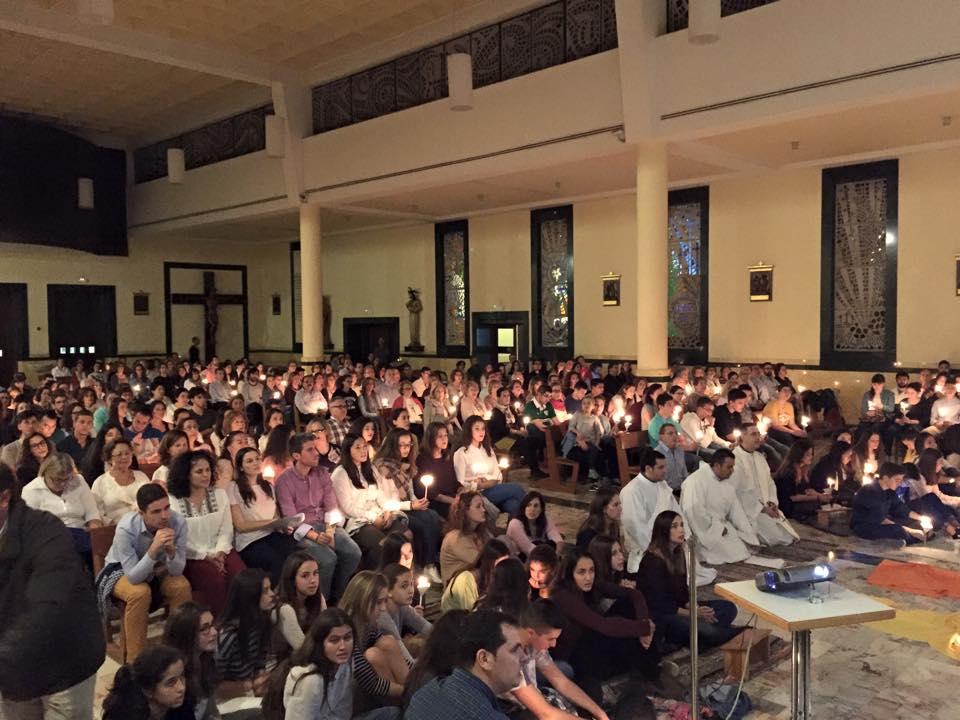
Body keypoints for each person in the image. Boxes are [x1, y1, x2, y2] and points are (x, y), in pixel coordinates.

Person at [0, 462, 105, 720]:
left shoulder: (46, 530)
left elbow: (47, 605)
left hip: (64, 659)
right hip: (14, 670)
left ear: (4, 497)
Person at [550, 547, 665, 704]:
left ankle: (650, 668)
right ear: (570, 574)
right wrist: (644, 628)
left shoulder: (591, 584)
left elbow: (634, 594)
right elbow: (602, 625)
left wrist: (644, 625)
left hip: (592, 643)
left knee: (626, 606)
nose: (588, 577)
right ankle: (651, 671)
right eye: (581, 572)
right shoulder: (562, 595)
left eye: (591, 571)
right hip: (574, 656)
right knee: (617, 625)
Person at [96, 483, 193, 662]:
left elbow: (177, 570)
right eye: (156, 511)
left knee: (181, 586)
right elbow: (133, 576)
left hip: (159, 568)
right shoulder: (126, 528)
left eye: (167, 508)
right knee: (139, 592)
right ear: (141, 513)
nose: (164, 516)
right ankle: (136, 662)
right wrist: (153, 549)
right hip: (121, 570)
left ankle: (180, 653)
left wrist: (171, 551)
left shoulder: (178, 522)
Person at [262, 608, 400, 720]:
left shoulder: (347, 664)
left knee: (394, 713)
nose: (343, 646)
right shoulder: (310, 680)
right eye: (334, 640)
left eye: (347, 638)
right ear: (320, 643)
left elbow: (343, 711)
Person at [275, 433, 362, 602]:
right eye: (310, 450)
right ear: (296, 456)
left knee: (353, 552)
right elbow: (291, 518)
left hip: (325, 524)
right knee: (328, 559)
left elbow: (331, 505)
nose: (316, 453)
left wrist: (329, 532)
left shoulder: (322, 473)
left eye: (315, 448)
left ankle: (340, 596)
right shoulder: (284, 481)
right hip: (301, 531)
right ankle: (321, 603)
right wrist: (315, 536)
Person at [637, 511, 740, 650]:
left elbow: (683, 592)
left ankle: (697, 635)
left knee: (728, 608)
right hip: (663, 615)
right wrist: (694, 614)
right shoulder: (653, 560)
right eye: (674, 526)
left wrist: (696, 609)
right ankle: (728, 633)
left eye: (682, 525)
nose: (681, 530)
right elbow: (659, 604)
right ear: (663, 531)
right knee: (709, 631)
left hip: (680, 609)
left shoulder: (678, 554)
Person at [167, 450, 245, 617]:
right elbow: (179, 539)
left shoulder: (219, 494)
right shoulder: (173, 501)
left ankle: (243, 621)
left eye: (208, 470)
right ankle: (219, 624)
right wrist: (205, 556)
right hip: (192, 556)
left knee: (241, 575)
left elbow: (226, 529)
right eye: (199, 471)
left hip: (220, 550)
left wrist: (220, 551)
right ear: (186, 475)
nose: (206, 475)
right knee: (214, 578)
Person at [405, 610, 523, 720]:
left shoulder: (427, 692)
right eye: (514, 650)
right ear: (484, 659)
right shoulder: (487, 715)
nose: (524, 657)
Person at [510, 601, 610, 720]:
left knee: (590, 686)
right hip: (518, 709)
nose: (554, 644)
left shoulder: (535, 645)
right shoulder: (510, 657)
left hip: (540, 699)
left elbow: (560, 680)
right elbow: (543, 712)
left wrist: (600, 713)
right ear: (531, 633)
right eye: (550, 639)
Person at [331, 432, 409, 569]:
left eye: (365, 446)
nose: (363, 451)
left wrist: (387, 511)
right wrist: (373, 518)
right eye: (358, 447)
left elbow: (380, 494)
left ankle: (402, 572)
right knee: (382, 542)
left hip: (379, 514)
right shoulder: (340, 474)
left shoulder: (370, 468)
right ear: (348, 450)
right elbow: (348, 508)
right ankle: (380, 577)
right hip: (358, 521)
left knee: (406, 535)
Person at [373, 428, 442, 571]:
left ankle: (431, 560)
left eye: (409, 445)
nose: (406, 449)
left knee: (433, 515)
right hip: (395, 510)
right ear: (392, 445)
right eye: (402, 445)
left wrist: (418, 502)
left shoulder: (405, 465)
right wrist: (411, 505)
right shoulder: (382, 467)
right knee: (421, 525)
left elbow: (410, 491)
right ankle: (425, 565)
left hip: (408, 505)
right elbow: (387, 501)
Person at [337, 571, 409, 702]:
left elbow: (395, 653)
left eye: (385, 601)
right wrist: (408, 692)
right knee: (373, 655)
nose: (383, 608)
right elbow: (372, 683)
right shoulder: (343, 632)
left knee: (387, 642)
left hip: (372, 688)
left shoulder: (367, 624)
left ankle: (414, 697)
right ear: (362, 601)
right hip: (349, 700)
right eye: (379, 602)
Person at [679, 449, 758, 565]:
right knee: (732, 553)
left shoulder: (725, 481)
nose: (732, 471)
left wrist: (748, 532)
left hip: (720, 526)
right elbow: (693, 511)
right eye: (729, 467)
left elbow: (736, 510)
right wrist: (716, 528)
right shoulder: (695, 481)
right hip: (703, 532)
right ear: (717, 465)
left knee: (742, 549)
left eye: (733, 467)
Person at [21, 452, 103, 561]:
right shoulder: (31, 490)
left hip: (80, 533)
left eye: (66, 479)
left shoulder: (78, 481)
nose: (62, 484)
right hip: (50, 538)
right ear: (45, 474)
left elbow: (92, 512)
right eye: (57, 480)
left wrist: (94, 528)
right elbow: (28, 526)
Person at [215, 569, 276, 710]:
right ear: (250, 597)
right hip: (226, 699)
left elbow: (260, 659)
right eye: (265, 591)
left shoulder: (262, 621)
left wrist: (260, 678)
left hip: (249, 690)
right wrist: (249, 685)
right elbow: (214, 684)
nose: (272, 594)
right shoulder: (228, 635)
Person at [729, 424, 799, 547]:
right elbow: (739, 492)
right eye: (753, 434)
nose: (757, 438)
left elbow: (769, 482)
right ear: (742, 437)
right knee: (778, 538)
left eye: (758, 434)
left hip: (767, 507)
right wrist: (762, 509)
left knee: (789, 535)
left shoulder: (760, 457)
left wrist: (772, 502)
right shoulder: (735, 459)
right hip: (750, 512)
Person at [453, 415, 525, 517]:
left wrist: (489, 480)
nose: (481, 432)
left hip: (494, 488)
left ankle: (516, 530)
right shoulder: (461, 453)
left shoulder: (487, 449)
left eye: (483, 429)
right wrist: (478, 485)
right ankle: (538, 522)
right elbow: (459, 483)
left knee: (514, 506)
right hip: (477, 493)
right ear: (469, 431)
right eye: (477, 429)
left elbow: (498, 474)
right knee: (516, 488)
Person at [101, 645, 192, 720]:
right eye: (171, 683)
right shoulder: (126, 715)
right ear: (148, 690)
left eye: (182, 677)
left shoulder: (182, 706)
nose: (181, 688)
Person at [162, 603, 220, 720]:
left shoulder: (208, 658)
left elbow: (212, 712)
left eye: (213, 625)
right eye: (204, 628)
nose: (214, 632)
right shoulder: (172, 674)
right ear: (187, 634)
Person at [850, 462, 930, 544]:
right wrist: (911, 531)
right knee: (898, 530)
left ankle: (914, 536)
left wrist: (921, 518)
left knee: (910, 521)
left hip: (882, 521)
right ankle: (913, 538)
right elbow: (880, 519)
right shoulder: (869, 491)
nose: (900, 483)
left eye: (901, 480)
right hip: (866, 525)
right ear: (885, 478)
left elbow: (900, 508)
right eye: (897, 480)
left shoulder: (889, 491)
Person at [274, 551, 328, 656]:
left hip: (305, 657)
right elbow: (302, 650)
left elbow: (325, 631)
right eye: (305, 576)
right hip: (280, 662)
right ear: (292, 579)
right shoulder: (284, 609)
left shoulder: (318, 598)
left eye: (315, 573)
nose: (313, 580)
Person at [378, 563, 433, 665]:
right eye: (404, 586)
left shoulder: (404, 607)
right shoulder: (383, 616)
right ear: (388, 591)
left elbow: (428, 629)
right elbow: (406, 660)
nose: (411, 590)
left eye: (412, 584)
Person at [441, 538, 510, 612]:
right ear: (489, 563)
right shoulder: (465, 580)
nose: (504, 567)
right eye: (501, 564)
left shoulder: (493, 579)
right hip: (455, 620)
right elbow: (472, 615)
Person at [439, 490, 494, 583]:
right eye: (478, 507)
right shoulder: (456, 538)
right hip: (458, 590)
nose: (483, 510)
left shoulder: (480, 532)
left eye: (483, 506)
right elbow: (485, 563)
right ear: (465, 511)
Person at [91, 438, 151, 523]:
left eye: (127, 453)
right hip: (114, 527)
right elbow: (96, 512)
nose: (124, 457)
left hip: (143, 523)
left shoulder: (141, 476)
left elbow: (152, 501)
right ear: (109, 459)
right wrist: (111, 524)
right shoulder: (100, 482)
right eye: (119, 454)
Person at [773, 439, 831, 520]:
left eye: (811, 454)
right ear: (799, 454)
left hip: (796, 502)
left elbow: (807, 490)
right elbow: (792, 497)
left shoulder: (802, 470)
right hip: (786, 505)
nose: (811, 457)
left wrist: (821, 495)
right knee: (814, 505)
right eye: (808, 454)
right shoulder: (789, 472)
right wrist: (817, 498)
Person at [415, 421, 460, 519]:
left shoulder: (446, 457)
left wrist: (462, 491)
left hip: (451, 496)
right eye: (440, 436)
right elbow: (432, 493)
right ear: (431, 438)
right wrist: (454, 501)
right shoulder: (423, 459)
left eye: (446, 435)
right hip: (436, 502)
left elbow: (454, 482)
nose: (444, 439)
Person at [506, 490, 564, 558]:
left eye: (536, 506)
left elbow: (558, 540)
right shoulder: (515, 524)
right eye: (528, 505)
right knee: (541, 545)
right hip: (519, 558)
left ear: (541, 509)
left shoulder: (545, 520)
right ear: (524, 508)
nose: (532, 509)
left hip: (538, 555)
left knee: (551, 545)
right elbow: (528, 548)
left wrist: (556, 555)